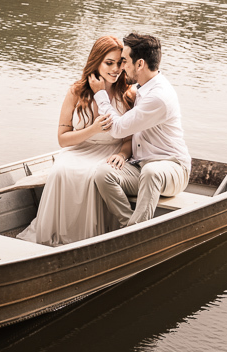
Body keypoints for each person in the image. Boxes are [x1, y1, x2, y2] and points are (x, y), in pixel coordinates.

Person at [18, 36, 135, 246]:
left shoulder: (127, 93)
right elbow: (62, 139)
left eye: (120, 63)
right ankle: (60, 233)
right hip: (79, 149)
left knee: (92, 175)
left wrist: (122, 154)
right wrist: (93, 129)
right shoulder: (76, 92)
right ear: (96, 62)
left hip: (111, 150)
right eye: (109, 63)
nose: (116, 69)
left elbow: (129, 139)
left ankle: (91, 238)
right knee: (60, 170)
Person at [90, 33, 191, 226]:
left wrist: (100, 94)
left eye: (124, 61)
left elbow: (117, 129)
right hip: (141, 166)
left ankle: (135, 231)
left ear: (140, 64)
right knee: (103, 174)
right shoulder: (144, 88)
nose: (121, 67)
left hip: (174, 169)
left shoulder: (158, 97)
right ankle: (129, 225)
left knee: (152, 172)